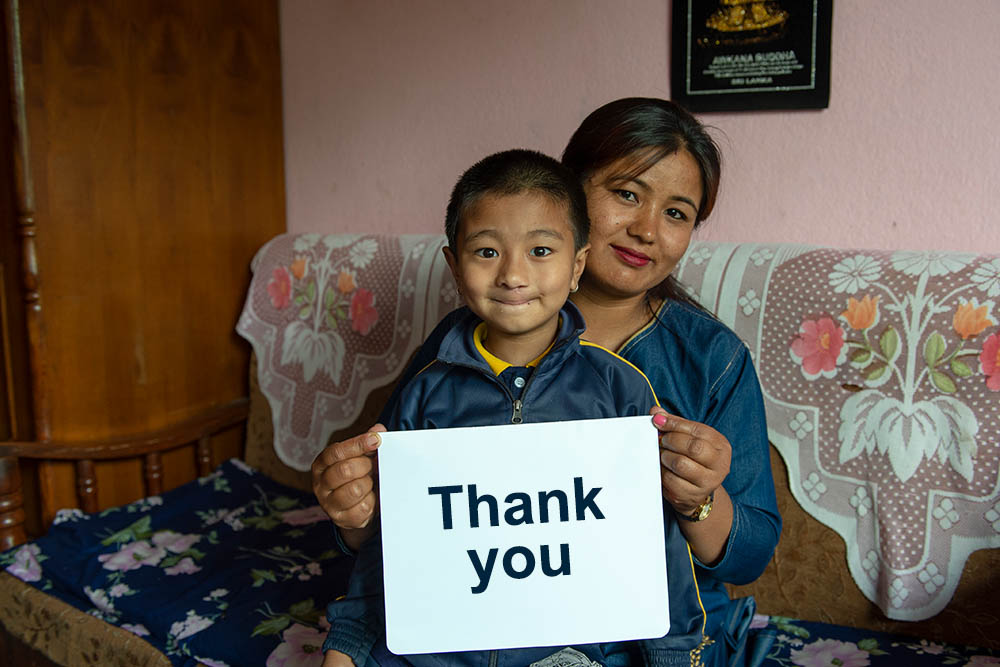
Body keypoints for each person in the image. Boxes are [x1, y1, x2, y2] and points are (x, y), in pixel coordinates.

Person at [313, 98, 782, 667]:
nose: (646, 229)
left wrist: (699, 499)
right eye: (627, 194)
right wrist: (354, 511)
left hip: (641, 636)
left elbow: (747, 557)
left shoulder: (710, 358)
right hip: (477, 623)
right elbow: (402, 521)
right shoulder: (460, 349)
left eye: (677, 213)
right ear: (570, 191)